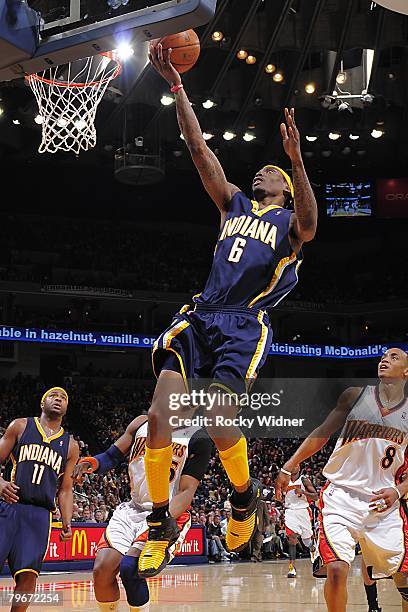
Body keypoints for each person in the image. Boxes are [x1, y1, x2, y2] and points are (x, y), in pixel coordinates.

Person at [137, 40, 318, 579]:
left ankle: (244, 497)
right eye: (263, 170)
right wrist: (176, 85)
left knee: (218, 422)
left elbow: (310, 224)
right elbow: (198, 149)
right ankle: (157, 523)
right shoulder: (234, 203)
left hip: (243, 321)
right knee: (158, 417)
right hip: (201, 314)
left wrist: (297, 162)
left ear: (283, 191)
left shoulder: (288, 224)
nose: (263, 172)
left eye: (273, 174)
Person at [275, 348, 408, 611]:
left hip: (383, 503)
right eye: (383, 356)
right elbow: (323, 432)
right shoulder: (356, 395)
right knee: (336, 569)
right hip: (341, 497)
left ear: (406, 371)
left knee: (405, 581)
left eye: (394, 357)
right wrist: (290, 464)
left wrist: (399, 490)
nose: (385, 360)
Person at [73, 414, 212, 612]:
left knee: (130, 569)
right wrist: (91, 463)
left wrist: (161, 521)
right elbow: (112, 456)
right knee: (102, 570)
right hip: (133, 508)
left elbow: (186, 491)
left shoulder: (197, 436)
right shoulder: (141, 423)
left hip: (167, 513)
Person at [0, 387, 78, 611]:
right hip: (9, 506)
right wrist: (1, 483)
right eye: (54, 396)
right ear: (42, 403)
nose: (59, 400)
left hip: (39, 515)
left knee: (28, 576)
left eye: (63, 398)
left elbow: (65, 489)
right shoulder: (21, 426)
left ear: (66, 408)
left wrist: (66, 522)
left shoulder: (70, 446)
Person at [283, 464, 318, 577]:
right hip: (290, 511)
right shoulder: (284, 480)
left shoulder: (304, 480)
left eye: (296, 465)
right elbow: (278, 496)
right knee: (292, 538)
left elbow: (315, 496)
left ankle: (313, 549)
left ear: (299, 468)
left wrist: (303, 492)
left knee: (307, 541)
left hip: (303, 510)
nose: (293, 467)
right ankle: (292, 568)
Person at [251, 497, 271, 562]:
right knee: (254, 542)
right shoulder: (250, 503)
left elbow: (266, 514)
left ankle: (255, 555)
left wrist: (267, 524)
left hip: (259, 525)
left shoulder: (262, 503)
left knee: (258, 541)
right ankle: (259, 557)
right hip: (251, 525)